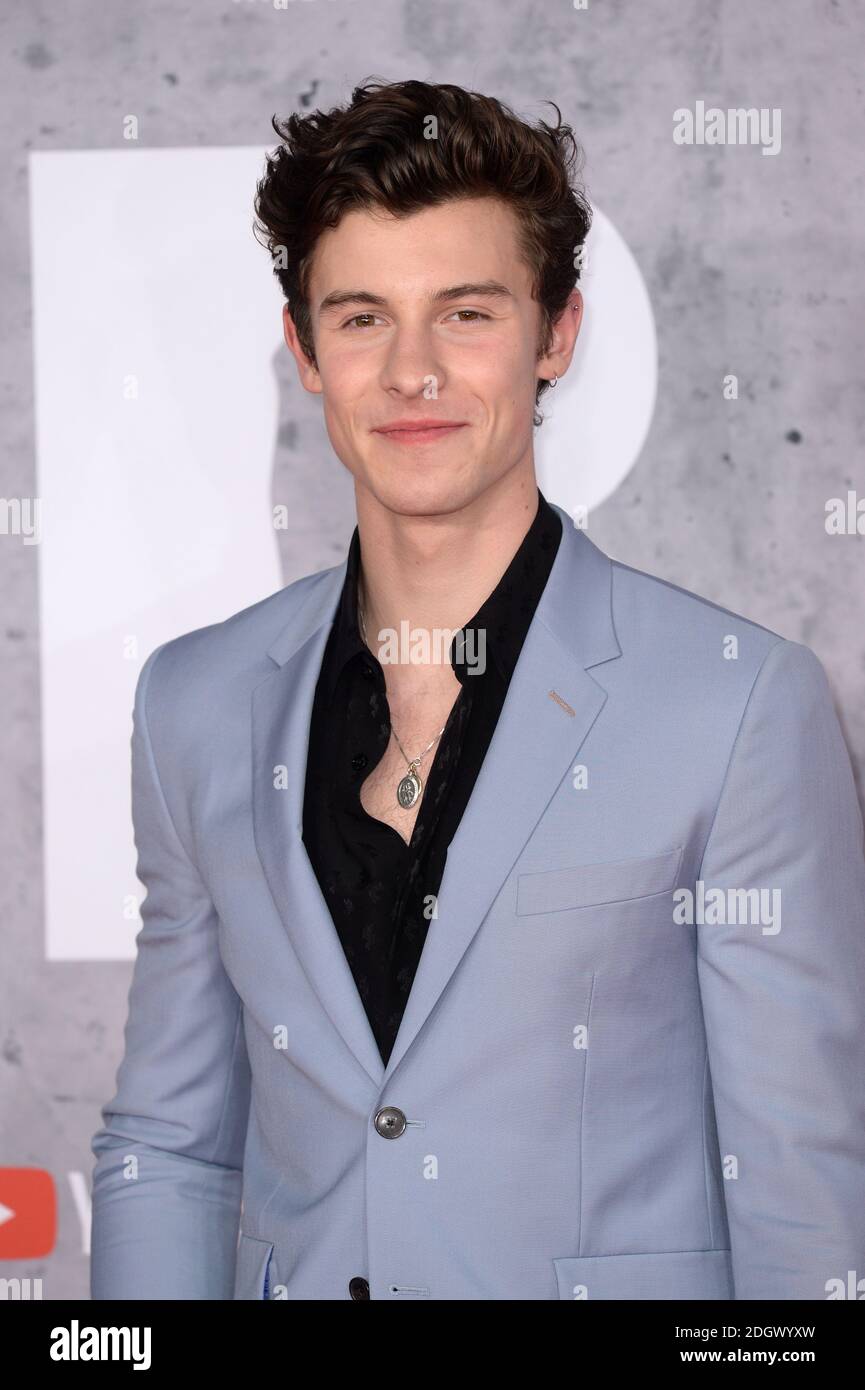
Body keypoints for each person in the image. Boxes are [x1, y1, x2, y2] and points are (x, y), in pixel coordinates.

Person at [90, 77, 865, 1301]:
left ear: (555, 334)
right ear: (303, 351)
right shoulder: (194, 702)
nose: (411, 372)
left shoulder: (738, 707)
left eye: (465, 313)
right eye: (360, 319)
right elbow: (172, 1149)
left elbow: (803, 1185)